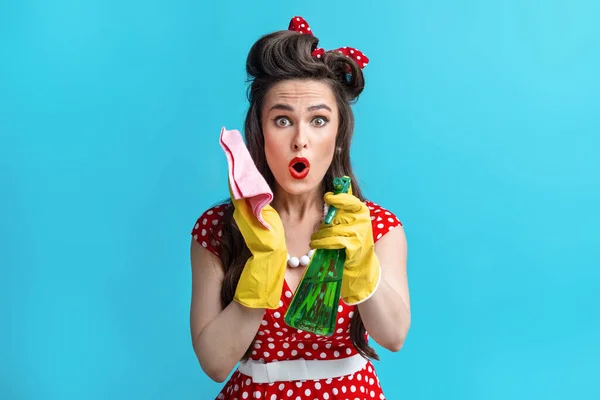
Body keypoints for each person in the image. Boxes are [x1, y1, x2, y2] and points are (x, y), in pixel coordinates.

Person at [189, 16, 411, 400]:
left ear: (339, 136)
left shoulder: (376, 226)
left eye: (319, 120)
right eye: (282, 120)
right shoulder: (217, 228)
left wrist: (363, 270)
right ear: (259, 132)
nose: (300, 141)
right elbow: (214, 363)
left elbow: (393, 337)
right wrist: (261, 269)